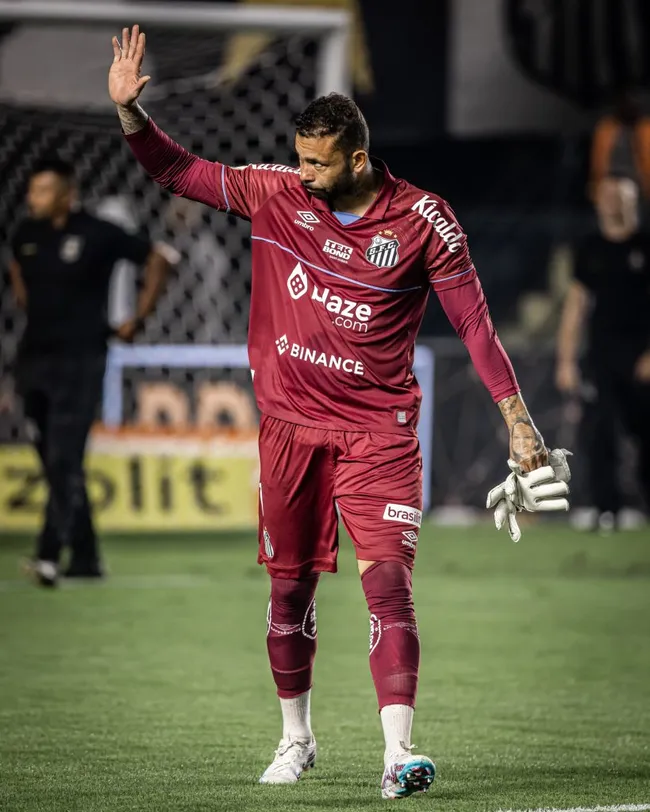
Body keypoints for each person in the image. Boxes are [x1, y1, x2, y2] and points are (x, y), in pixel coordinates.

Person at [108, 25, 569, 799]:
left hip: (379, 432)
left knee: (388, 580)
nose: (303, 174)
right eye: (298, 158)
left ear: (358, 157)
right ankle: (297, 739)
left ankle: (399, 754)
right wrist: (129, 115)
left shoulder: (425, 221)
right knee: (289, 591)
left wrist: (517, 419)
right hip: (289, 430)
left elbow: (476, 324)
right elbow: (178, 171)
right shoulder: (275, 193)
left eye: (317, 163)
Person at [9, 157, 175, 587]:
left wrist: (137, 319)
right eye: (32, 191)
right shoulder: (26, 235)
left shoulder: (97, 233)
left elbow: (158, 258)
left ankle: (48, 555)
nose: (34, 199)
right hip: (33, 360)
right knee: (53, 461)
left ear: (67, 193)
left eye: (43, 191)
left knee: (65, 458)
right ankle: (86, 557)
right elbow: (17, 273)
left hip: (81, 360)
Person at [556, 176, 650, 529]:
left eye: (622, 196)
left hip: (642, 358)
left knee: (645, 433)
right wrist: (565, 361)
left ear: (635, 200)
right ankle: (607, 510)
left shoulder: (645, 245)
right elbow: (576, 306)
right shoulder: (590, 248)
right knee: (600, 433)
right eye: (608, 195)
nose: (614, 202)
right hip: (601, 357)